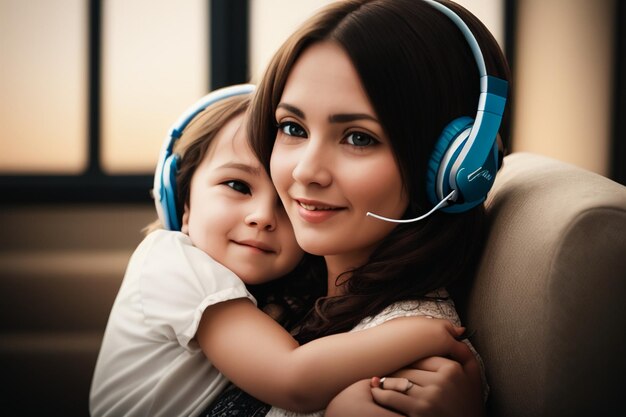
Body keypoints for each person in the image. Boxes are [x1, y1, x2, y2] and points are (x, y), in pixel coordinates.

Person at [89, 85, 475, 417]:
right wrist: (426, 333)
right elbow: (293, 379)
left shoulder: (279, 297)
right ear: (183, 204)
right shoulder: (174, 263)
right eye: (237, 186)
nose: (262, 217)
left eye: (288, 206)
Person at [204, 0, 511, 416]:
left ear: (454, 168)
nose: (306, 171)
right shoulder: (289, 294)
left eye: (358, 138)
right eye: (293, 128)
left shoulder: (412, 376)